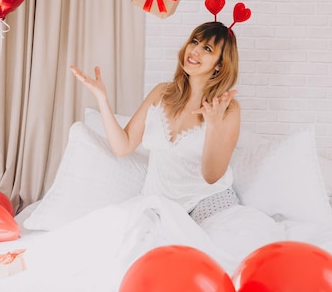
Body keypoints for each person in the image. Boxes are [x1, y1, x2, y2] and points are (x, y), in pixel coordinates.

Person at [70, 19, 242, 224]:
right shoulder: (162, 93)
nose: (194, 50)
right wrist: (102, 99)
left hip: (207, 200)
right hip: (159, 203)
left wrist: (213, 125)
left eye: (206, 48)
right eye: (194, 42)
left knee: (209, 249)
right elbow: (122, 146)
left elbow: (212, 176)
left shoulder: (227, 109)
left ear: (220, 64)